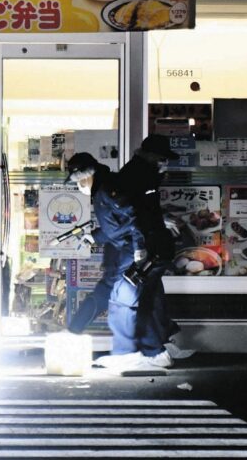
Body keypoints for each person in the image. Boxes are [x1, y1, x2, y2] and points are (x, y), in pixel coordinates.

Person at [64, 152, 172, 370]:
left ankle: (127, 353)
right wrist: (94, 237)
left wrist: (139, 250)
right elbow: (117, 226)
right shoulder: (106, 187)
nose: (78, 187)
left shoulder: (106, 190)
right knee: (140, 300)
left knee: (121, 299)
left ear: (84, 176)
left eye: (77, 182)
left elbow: (133, 219)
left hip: (136, 251)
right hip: (140, 249)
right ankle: (155, 352)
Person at [118, 134, 182, 348]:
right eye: (162, 158)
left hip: (148, 241)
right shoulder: (139, 175)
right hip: (145, 243)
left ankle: (161, 339)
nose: (164, 163)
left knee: (152, 291)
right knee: (148, 293)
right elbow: (136, 212)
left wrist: (161, 218)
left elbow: (146, 209)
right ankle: (154, 345)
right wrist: (140, 246)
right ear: (152, 155)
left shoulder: (144, 172)